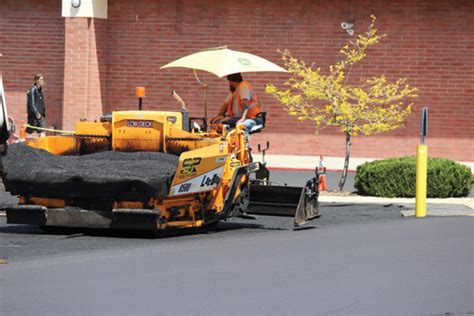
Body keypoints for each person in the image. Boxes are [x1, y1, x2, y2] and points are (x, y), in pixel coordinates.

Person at [214, 73, 262, 138]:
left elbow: (245, 103)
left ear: (230, 81)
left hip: (253, 117)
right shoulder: (235, 91)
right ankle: (229, 144)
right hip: (242, 117)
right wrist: (219, 116)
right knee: (222, 125)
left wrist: (242, 118)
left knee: (241, 126)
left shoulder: (243, 87)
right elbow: (225, 104)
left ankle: (245, 146)